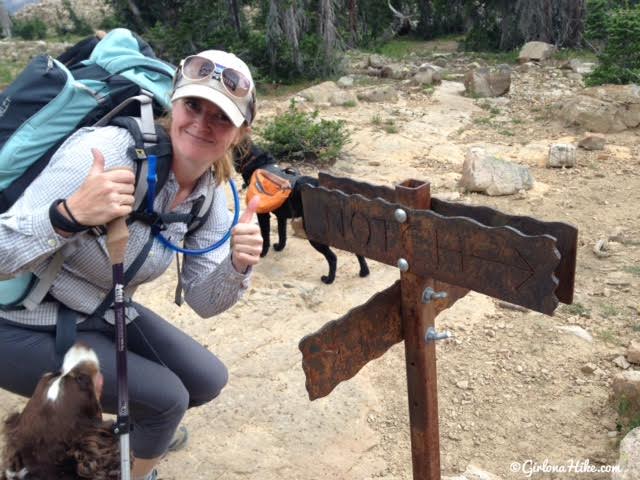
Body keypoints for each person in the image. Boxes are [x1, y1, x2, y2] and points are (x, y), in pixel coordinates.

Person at [0, 49, 263, 480]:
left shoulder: (216, 192)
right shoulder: (107, 153)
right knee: (168, 400)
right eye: (193, 105)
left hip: (103, 310)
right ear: (173, 103)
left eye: (221, 116)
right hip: (22, 321)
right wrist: (67, 215)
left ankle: (118, 439)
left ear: (239, 132)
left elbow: (203, 300)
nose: (201, 123)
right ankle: (130, 470)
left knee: (206, 379)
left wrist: (237, 265)